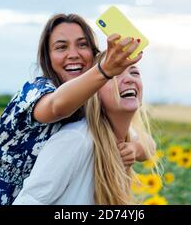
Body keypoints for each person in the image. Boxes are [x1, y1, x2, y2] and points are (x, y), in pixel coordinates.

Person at [0, 13, 144, 205]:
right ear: (48, 57)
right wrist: (105, 70)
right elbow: (57, 106)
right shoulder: (37, 91)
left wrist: (134, 148)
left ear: (93, 53)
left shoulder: (90, 105)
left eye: (82, 45)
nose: (73, 54)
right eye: (61, 47)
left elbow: (144, 141)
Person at [13, 53, 154, 205]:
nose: (129, 79)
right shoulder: (75, 139)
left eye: (135, 73)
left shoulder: (123, 134)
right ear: (94, 92)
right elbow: (29, 201)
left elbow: (150, 147)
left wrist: (135, 149)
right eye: (115, 74)